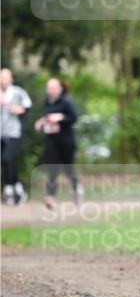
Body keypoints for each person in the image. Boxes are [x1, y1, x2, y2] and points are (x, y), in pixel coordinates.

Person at [34, 77, 82, 208]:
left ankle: (76, 188)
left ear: (60, 89)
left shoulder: (66, 101)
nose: (51, 90)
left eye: (54, 87)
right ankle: (51, 197)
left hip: (66, 141)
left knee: (68, 168)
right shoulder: (47, 102)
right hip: (52, 140)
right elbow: (47, 117)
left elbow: (74, 117)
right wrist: (40, 123)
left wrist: (61, 118)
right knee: (52, 168)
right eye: (49, 87)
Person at [1, 67, 32, 205]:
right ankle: (18, 191)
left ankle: (8, 190)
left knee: (7, 158)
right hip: (1, 133)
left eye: (5, 77)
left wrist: (18, 109)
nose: (3, 80)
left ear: (11, 78)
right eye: (1, 77)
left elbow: (28, 106)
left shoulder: (17, 92)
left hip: (14, 132)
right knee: (8, 162)